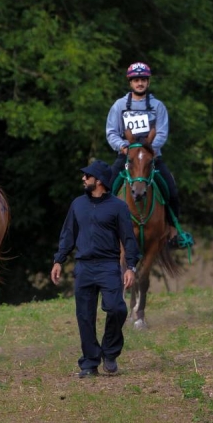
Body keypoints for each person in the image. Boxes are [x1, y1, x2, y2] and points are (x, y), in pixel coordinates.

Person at [51, 160, 139, 378]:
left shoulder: (118, 207)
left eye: (87, 176)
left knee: (117, 309)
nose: (83, 178)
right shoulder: (77, 204)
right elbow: (68, 234)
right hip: (83, 267)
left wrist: (130, 267)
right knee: (85, 316)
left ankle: (109, 352)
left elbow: (128, 238)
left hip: (109, 266)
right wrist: (59, 260)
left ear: (98, 180)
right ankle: (89, 363)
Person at [105, 61, 187, 246]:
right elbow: (111, 132)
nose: (139, 83)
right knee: (106, 187)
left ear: (148, 82)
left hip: (152, 157)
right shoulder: (119, 106)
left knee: (171, 190)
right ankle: (101, 230)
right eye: (136, 80)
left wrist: (149, 149)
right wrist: (123, 147)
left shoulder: (158, 106)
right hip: (127, 157)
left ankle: (174, 232)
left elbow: (162, 132)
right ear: (130, 83)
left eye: (143, 80)